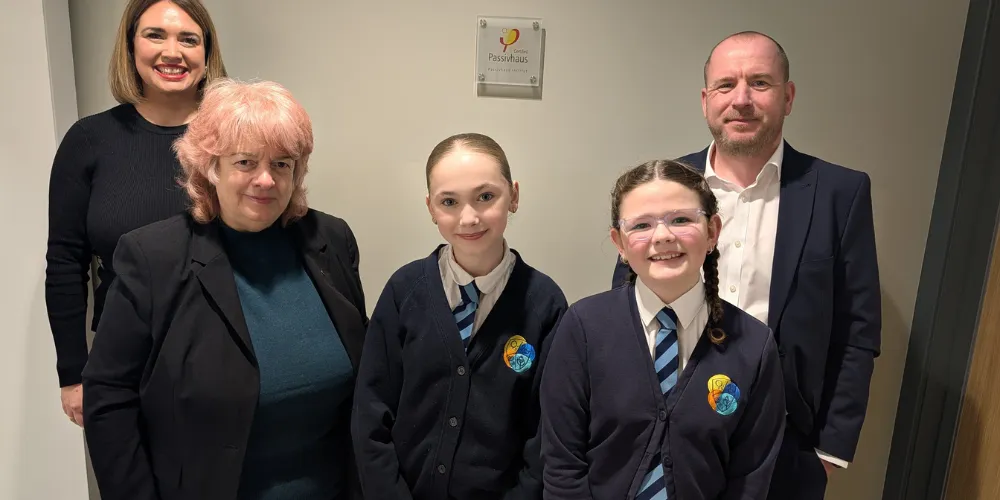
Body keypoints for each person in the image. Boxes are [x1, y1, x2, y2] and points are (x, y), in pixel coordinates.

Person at [610, 31, 882, 499]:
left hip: (785, 443)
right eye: (725, 85)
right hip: (666, 428)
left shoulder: (840, 193)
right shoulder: (661, 185)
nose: (741, 100)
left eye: (760, 83)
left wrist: (829, 454)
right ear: (705, 99)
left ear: (788, 96)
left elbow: (857, 332)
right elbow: (625, 309)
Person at [81, 79, 367, 500]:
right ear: (210, 167)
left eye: (282, 163)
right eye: (246, 162)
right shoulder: (152, 257)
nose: (265, 180)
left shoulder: (331, 239)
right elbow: (108, 399)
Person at [544, 159, 786, 499]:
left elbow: (751, 475)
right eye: (641, 225)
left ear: (713, 231)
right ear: (620, 243)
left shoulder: (754, 346)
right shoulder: (583, 328)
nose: (662, 236)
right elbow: (562, 463)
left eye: (681, 219)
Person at [351, 133, 568, 499]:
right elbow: (371, 413)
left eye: (486, 197)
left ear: (513, 195)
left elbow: (545, 435)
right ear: (430, 207)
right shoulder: (404, 291)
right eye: (449, 201)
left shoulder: (545, 304)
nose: (469, 218)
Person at [45, 0, 227, 427]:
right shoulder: (89, 140)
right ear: (130, 48)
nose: (173, 52)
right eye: (154, 35)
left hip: (226, 355)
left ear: (207, 54)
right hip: (125, 362)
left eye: (189, 39)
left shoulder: (233, 138)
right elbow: (65, 262)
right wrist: (72, 374)